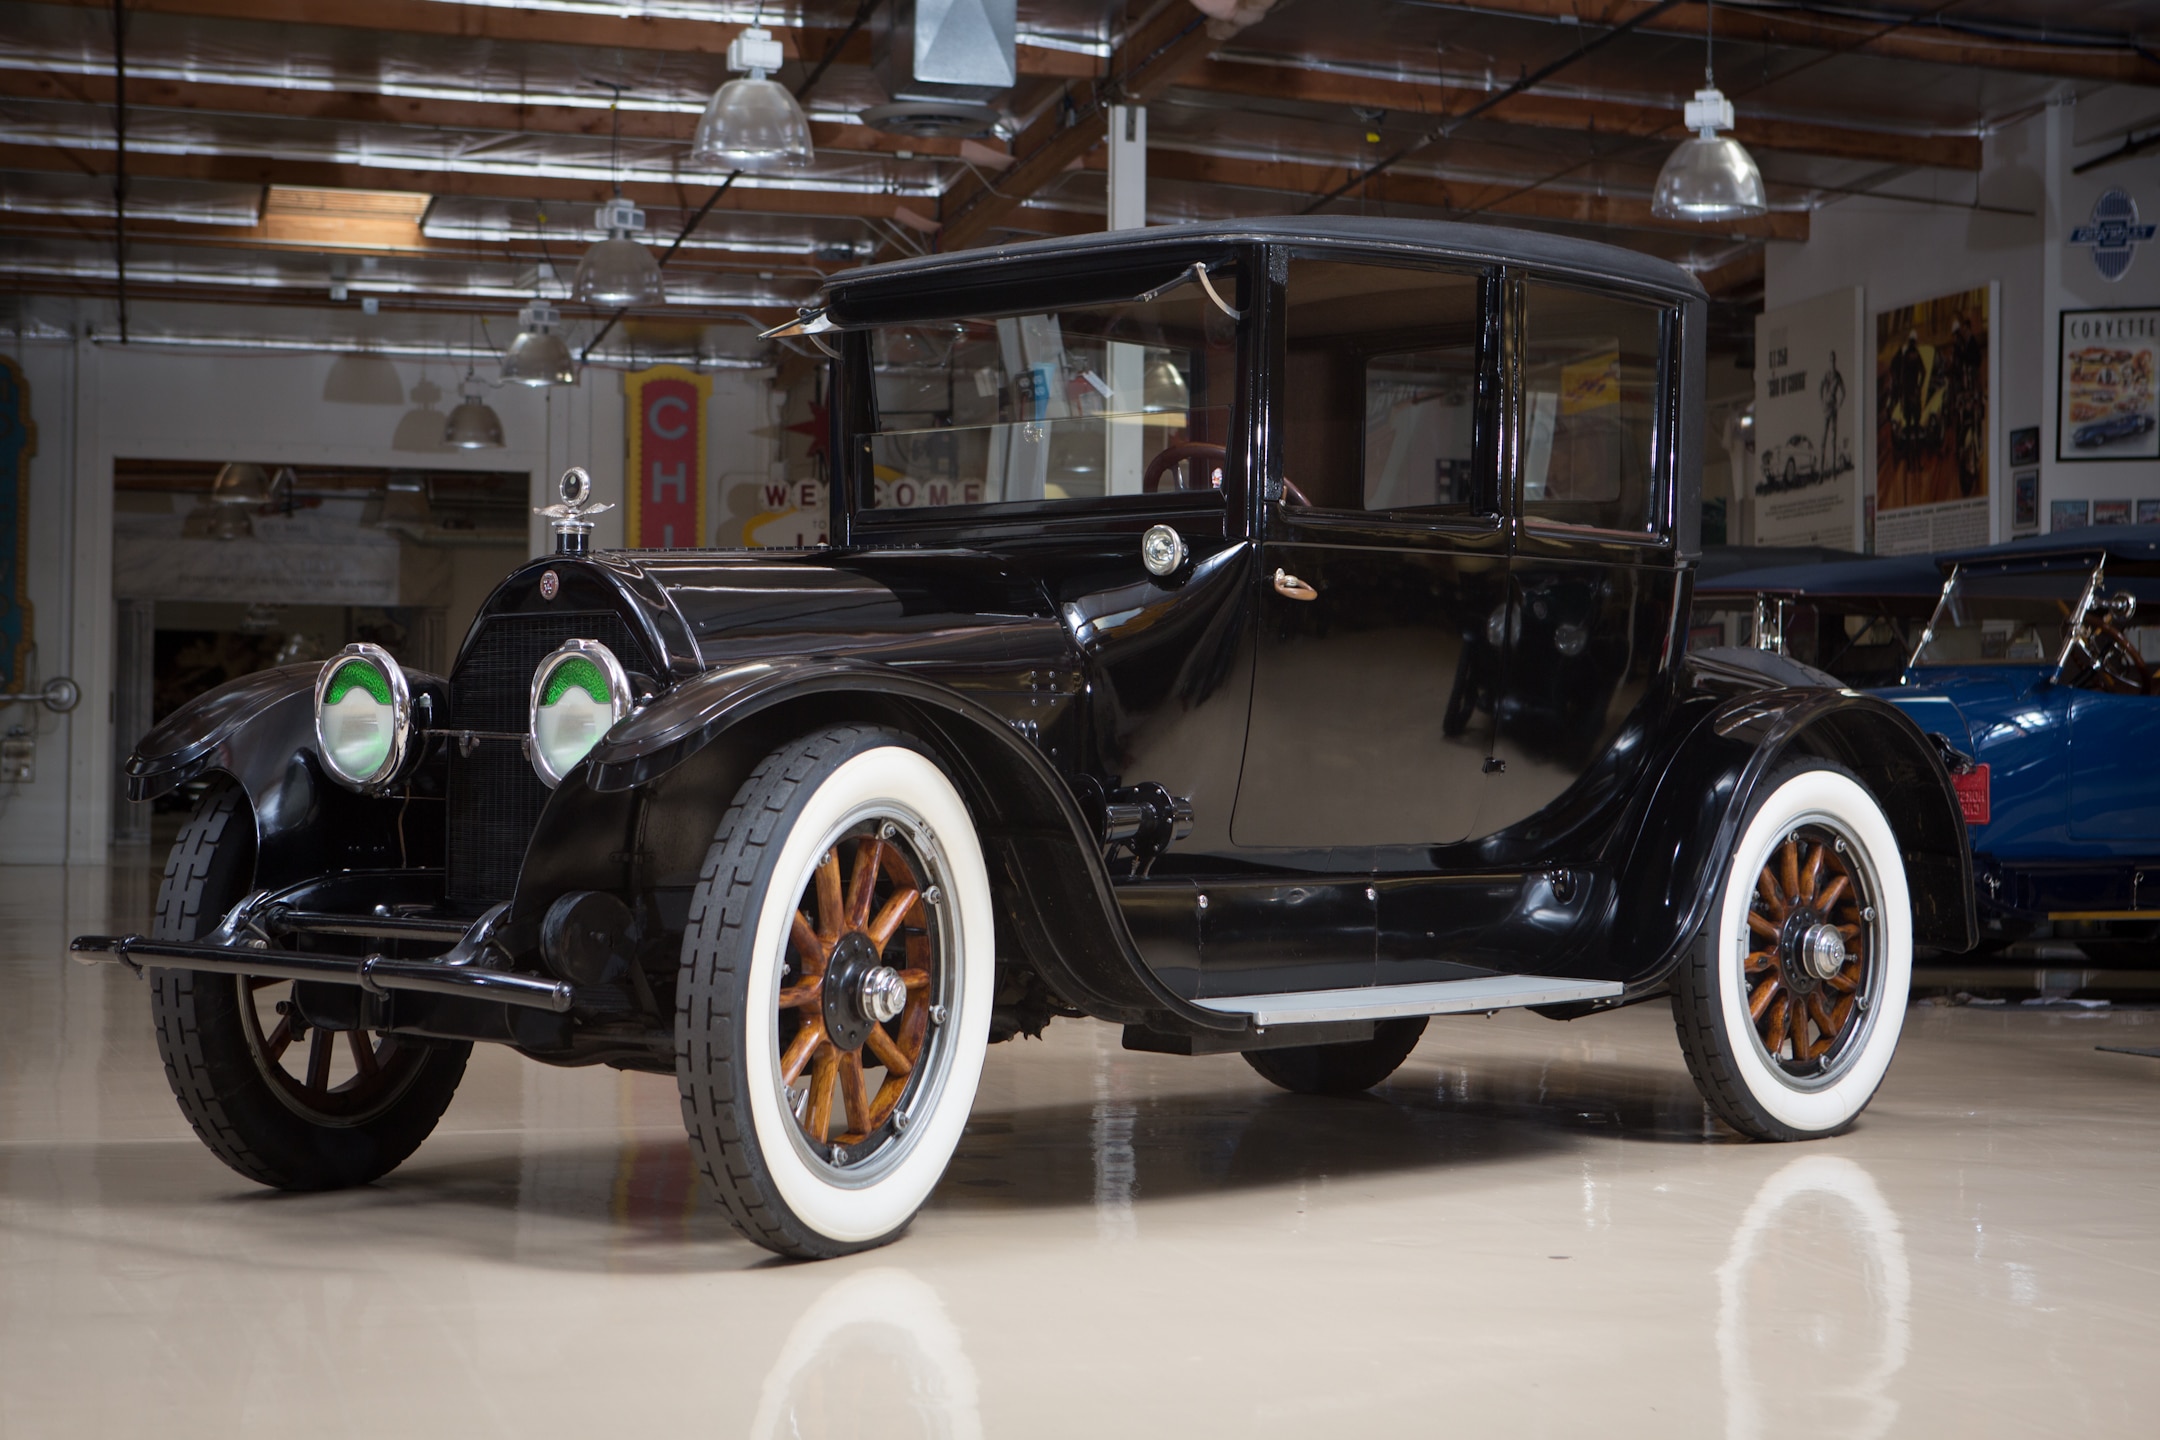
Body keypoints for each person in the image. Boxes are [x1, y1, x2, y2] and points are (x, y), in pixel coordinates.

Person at [1818, 350, 1845, 477]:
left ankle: (1833, 471)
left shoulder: (1837, 375)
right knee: (1823, 440)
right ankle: (1821, 473)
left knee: (1833, 440)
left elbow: (1843, 392)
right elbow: (1820, 387)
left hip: (1833, 408)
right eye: (1831, 359)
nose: (1832, 361)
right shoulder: (1827, 374)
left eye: (1833, 359)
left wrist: (1839, 404)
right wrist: (1822, 401)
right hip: (1827, 408)